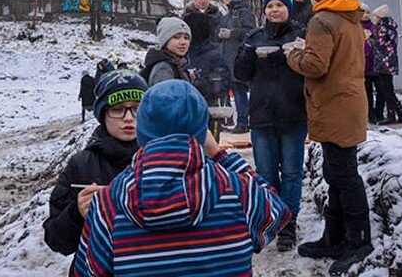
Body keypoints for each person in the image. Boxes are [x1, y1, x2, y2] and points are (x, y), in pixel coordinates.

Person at [72, 79, 291, 277]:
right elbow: (279, 213)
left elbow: (87, 272)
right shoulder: (236, 190)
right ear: (201, 131)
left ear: (142, 131)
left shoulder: (108, 202)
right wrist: (219, 154)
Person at [286, 0, 374, 275]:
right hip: (349, 101)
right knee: (335, 171)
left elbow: (316, 65)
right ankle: (334, 238)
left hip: (335, 104)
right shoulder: (349, 16)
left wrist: (293, 54)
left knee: (344, 174)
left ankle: (360, 242)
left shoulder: (321, 20)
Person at [43, 70, 147, 260]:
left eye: (137, 108)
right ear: (102, 114)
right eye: (117, 109)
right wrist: (77, 214)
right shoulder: (81, 165)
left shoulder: (162, 160)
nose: (128, 118)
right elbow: (55, 240)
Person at [234, 0, 307, 252]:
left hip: (294, 114)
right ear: (264, 10)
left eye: (279, 5)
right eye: (270, 6)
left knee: (291, 173)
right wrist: (247, 53)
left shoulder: (300, 34)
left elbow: (310, 68)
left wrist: (291, 55)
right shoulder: (254, 36)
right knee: (265, 174)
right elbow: (240, 74)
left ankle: (288, 225)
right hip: (262, 116)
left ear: (288, 8)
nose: (275, 10)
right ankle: (272, 219)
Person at [219, 0, 256, 133]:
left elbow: (250, 31)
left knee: (239, 90)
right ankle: (228, 119)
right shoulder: (228, 14)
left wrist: (231, 33)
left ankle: (242, 122)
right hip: (227, 59)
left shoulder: (244, 13)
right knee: (228, 90)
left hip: (237, 59)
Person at [183, 12, 231, 109]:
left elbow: (220, 88)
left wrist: (196, 82)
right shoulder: (179, 55)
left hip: (206, 112)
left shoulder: (213, 57)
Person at [371, 5, 402, 125]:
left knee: (387, 90)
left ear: (380, 17)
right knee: (387, 89)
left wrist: (370, 38)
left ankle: (399, 112)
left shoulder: (383, 28)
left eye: (375, 16)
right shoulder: (391, 27)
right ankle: (392, 114)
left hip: (384, 62)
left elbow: (380, 44)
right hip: (389, 61)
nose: (374, 19)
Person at [140, 17, 192, 86]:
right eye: (176, 37)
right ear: (165, 41)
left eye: (186, 38)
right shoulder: (163, 69)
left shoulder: (181, 65)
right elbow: (165, 96)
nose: (183, 42)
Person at [360, 5, 378, 123]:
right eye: (363, 12)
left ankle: (378, 113)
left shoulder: (374, 27)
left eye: (367, 12)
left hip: (375, 64)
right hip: (363, 65)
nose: (365, 15)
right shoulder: (356, 28)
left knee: (380, 90)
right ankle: (370, 115)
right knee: (367, 93)